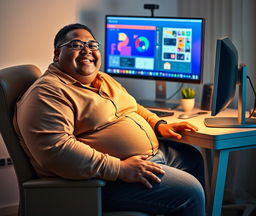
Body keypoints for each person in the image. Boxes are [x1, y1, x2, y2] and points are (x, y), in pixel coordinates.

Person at [13, 23, 205, 215]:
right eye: (76, 45)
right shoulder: (48, 92)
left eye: (92, 45)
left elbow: (132, 106)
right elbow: (57, 151)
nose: (86, 50)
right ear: (57, 54)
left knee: (192, 158)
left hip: (146, 159)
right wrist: (120, 169)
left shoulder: (102, 79)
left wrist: (158, 124)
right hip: (103, 181)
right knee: (190, 193)